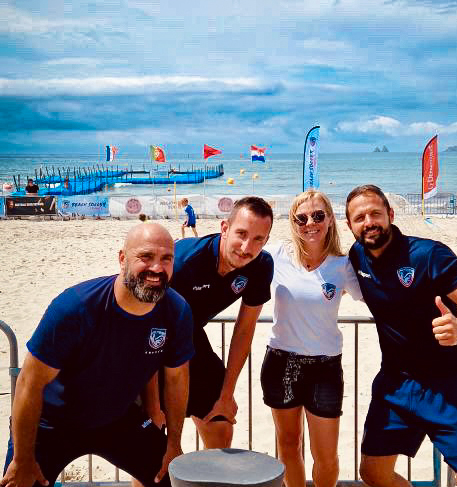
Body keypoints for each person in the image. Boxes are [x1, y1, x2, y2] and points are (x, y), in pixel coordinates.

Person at [1, 223, 194, 487]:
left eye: (166, 259)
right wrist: (22, 459)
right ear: (122, 259)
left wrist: (173, 444)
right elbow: (29, 384)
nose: (157, 268)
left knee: (170, 478)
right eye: (146, 257)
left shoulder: (176, 311)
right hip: (52, 422)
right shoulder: (75, 307)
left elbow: (176, 380)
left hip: (117, 418)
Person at [345, 185, 457, 487]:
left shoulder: (429, 255)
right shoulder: (357, 256)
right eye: (359, 217)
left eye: (375, 213)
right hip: (396, 385)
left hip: (451, 385)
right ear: (350, 225)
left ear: (390, 215)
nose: (369, 222)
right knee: (373, 473)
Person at [260, 190, 363, 487]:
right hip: (280, 363)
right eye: (301, 218)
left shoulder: (343, 266)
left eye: (318, 216)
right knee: (288, 447)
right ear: (293, 222)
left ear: (330, 219)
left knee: (326, 456)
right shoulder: (277, 255)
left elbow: (379, 297)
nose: (310, 223)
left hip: (325, 368)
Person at [165, 196, 274, 448]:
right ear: (224, 228)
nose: (247, 247)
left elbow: (244, 330)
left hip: (190, 337)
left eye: (258, 239)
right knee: (153, 453)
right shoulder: (183, 262)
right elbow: (139, 322)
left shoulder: (260, 265)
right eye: (241, 234)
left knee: (221, 426)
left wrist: (226, 395)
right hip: (149, 343)